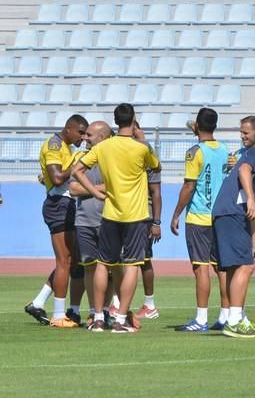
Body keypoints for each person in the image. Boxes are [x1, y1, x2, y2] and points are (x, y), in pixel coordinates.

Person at [72, 103, 162, 333]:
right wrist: (141, 138)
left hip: (110, 213)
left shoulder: (104, 147)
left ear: (115, 121)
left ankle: (99, 317)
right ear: (133, 120)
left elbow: (77, 171)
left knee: (103, 264)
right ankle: (120, 319)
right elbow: (156, 165)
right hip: (136, 214)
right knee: (131, 265)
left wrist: (93, 191)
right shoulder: (141, 148)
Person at [212, 126, 255, 338]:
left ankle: (238, 317)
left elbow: (251, 213)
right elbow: (243, 169)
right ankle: (233, 320)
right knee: (244, 267)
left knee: (236, 267)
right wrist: (251, 198)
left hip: (227, 213)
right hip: (231, 213)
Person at [25, 114, 88, 328]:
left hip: (65, 204)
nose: (83, 137)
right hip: (58, 205)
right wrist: (78, 164)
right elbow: (58, 177)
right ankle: (59, 315)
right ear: (69, 128)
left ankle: (38, 302)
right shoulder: (54, 145)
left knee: (73, 259)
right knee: (66, 261)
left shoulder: (67, 148)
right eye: (80, 132)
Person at [171, 108, 230, 332]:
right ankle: (226, 315)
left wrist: (176, 213)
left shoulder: (195, 151)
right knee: (221, 268)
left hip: (199, 217)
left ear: (197, 125)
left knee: (201, 268)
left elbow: (189, 186)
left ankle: (201, 318)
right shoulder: (225, 149)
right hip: (220, 217)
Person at [67, 121, 115, 328]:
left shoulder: (112, 158)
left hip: (109, 220)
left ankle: (105, 311)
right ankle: (94, 312)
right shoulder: (80, 158)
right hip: (85, 221)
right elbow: (73, 189)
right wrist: (98, 188)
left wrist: (86, 186)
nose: (85, 138)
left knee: (110, 270)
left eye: (89, 135)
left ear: (102, 138)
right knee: (89, 268)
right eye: (84, 135)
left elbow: (117, 186)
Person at [134, 121, 163, 320]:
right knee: (121, 260)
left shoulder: (148, 155)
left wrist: (156, 222)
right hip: (125, 213)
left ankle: (150, 304)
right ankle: (117, 302)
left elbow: (156, 191)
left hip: (143, 214)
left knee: (144, 260)